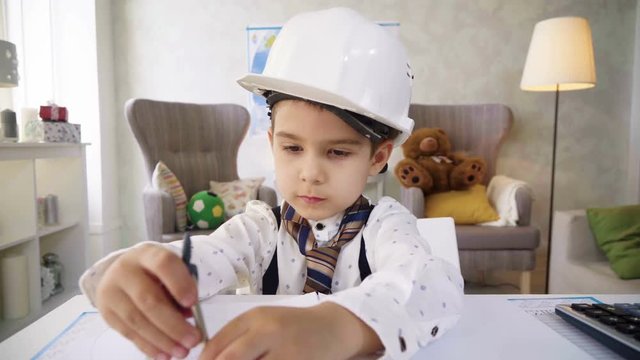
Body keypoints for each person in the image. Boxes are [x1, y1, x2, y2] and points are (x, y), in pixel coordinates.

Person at [80, 7, 464, 360]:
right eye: (293, 147)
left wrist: (337, 326)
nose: (309, 173)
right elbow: (211, 255)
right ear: (272, 144)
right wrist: (150, 273)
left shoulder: (386, 225)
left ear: (377, 158)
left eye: (337, 153)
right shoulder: (259, 227)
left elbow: (432, 285)